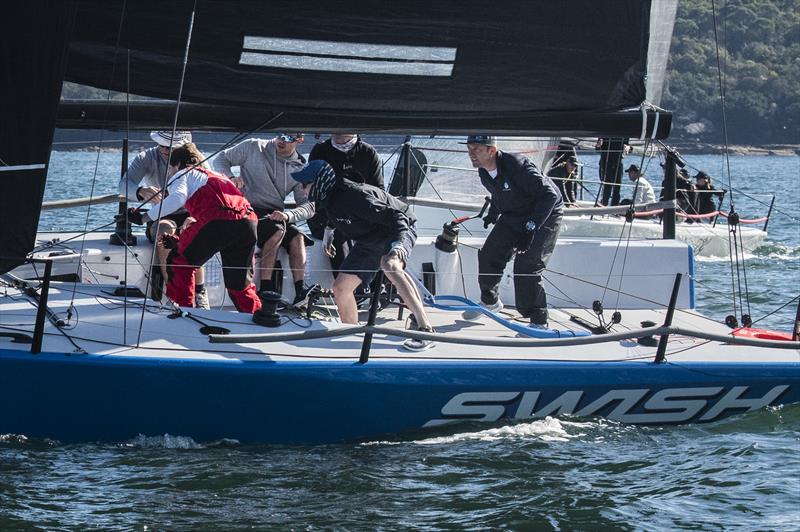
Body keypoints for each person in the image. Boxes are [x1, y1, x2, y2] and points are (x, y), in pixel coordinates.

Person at [288, 159, 435, 351]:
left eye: (305, 184)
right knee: (340, 288)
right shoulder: (327, 197)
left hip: (398, 227)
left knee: (389, 264)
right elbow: (333, 214)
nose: (302, 188)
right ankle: (352, 334)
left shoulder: (355, 196)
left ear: (320, 182)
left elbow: (397, 217)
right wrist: (328, 234)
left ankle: (424, 329)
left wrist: (398, 244)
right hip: (371, 237)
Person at [117, 143, 261, 313]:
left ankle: (183, 312)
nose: (169, 173)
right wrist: (179, 242)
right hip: (248, 221)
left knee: (179, 264)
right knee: (239, 282)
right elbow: (218, 233)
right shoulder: (217, 175)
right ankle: (257, 315)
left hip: (217, 219)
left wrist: (143, 218)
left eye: (170, 168)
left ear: (177, 164)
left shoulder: (182, 173)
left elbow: (177, 199)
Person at [462, 135, 564, 328]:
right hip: (515, 212)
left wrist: (531, 228)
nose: (471, 154)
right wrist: (493, 212)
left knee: (527, 265)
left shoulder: (517, 166)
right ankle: (490, 302)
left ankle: (539, 321)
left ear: (491, 150)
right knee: (489, 255)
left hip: (544, 212)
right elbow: (498, 191)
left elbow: (549, 195)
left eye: (476, 149)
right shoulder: (484, 171)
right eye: (469, 148)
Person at [212, 133, 312, 304]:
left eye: (288, 138)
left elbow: (309, 206)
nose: (281, 140)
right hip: (245, 209)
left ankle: (300, 291)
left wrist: (289, 215)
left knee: (297, 236)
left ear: (299, 140)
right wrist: (230, 178)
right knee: (276, 231)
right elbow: (220, 159)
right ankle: (266, 290)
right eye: (280, 135)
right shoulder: (253, 146)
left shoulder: (300, 168)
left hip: (275, 214)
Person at [119, 130, 209, 308]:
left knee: (192, 231)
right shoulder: (146, 157)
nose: (165, 151)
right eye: (162, 146)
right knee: (164, 231)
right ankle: (173, 292)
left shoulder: (195, 157)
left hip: (191, 212)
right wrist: (139, 191)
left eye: (171, 147)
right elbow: (124, 185)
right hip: (161, 215)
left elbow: (208, 187)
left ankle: (200, 292)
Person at [307, 134, 385, 275]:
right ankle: (346, 286)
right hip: (326, 217)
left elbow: (378, 191)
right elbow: (314, 191)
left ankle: (376, 286)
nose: (339, 131)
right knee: (340, 232)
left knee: (378, 234)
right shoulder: (320, 150)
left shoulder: (368, 152)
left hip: (361, 215)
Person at [595, 137, 630, 206]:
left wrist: (628, 148)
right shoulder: (606, 132)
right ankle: (604, 204)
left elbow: (627, 145)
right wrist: (599, 145)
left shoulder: (624, 133)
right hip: (606, 161)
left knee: (617, 185)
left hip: (618, 161)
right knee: (607, 185)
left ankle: (614, 206)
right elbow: (597, 148)